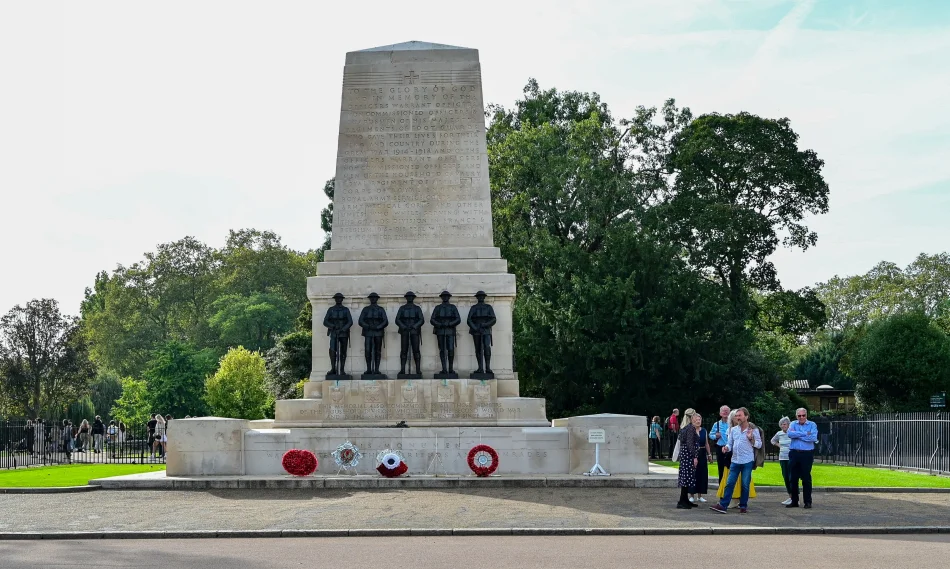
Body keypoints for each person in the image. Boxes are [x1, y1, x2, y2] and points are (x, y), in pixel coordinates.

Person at [709, 407, 761, 514]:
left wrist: (751, 439)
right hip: (735, 461)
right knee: (730, 483)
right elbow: (730, 443)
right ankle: (723, 505)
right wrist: (726, 448)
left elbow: (759, 445)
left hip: (747, 461)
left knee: (745, 484)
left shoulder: (753, 430)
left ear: (746, 416)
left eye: (740, 415)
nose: (737, 418)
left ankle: (743, 506)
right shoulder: (733, 430)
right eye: (736, 416)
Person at [787, 407, 818, 509]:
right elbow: (790, 434)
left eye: (803, 415)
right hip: (794, 453)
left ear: (806, 415)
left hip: (806, 454)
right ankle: (794, 501)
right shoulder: (793, 424)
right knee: (793, 478)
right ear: (796, 416)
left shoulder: (812, 424)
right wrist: (805, 434)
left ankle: (807, 502)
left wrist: (797, 435)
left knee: (806, 478)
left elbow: (813, 437)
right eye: (799, 415)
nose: (801, 417)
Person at [675, 408, 699, 509]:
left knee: (685, 477)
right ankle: (682, 501)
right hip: (688, 455)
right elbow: (690, 444)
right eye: (694, 415)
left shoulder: (683, 427)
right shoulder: (690, 428)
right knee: (687, 477)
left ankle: (684, 499)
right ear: (691, 417)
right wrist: (695, 456)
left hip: (684, 454)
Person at [689, 412, 711, 503]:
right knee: (693, 474)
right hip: (693, 453)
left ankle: (700, 495)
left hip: (702, 453)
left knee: (702, 474)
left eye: (699, 419)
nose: (698, 421)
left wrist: (709, 454)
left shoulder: (704, 430)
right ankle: (691, 495)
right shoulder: (690, 430)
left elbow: (706, 443)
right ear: (693, 420)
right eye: (696, 420)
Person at [770, 417, 793, 505]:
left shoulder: (791, 433)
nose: (783, 426)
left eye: (785, 424)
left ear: (788, 425)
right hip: (782, 457)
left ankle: (794, 496)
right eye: (782, 424)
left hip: (791, 457)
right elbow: (772, 441)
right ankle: (790, 495)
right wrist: (779, 445)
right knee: (786, 477)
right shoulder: (779, 434)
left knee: (792, 477)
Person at [709, 405, 731, 484]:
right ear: (720, 413)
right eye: (723, 411)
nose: (725, 412)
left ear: (730, 413)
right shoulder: (717, 424)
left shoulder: (732, 424)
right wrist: (716, 436)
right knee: (721, 467)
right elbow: (710, 435)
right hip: (720, 448)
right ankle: (721, 486)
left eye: (727, 411)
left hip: (730, 448)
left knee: (731, 468)